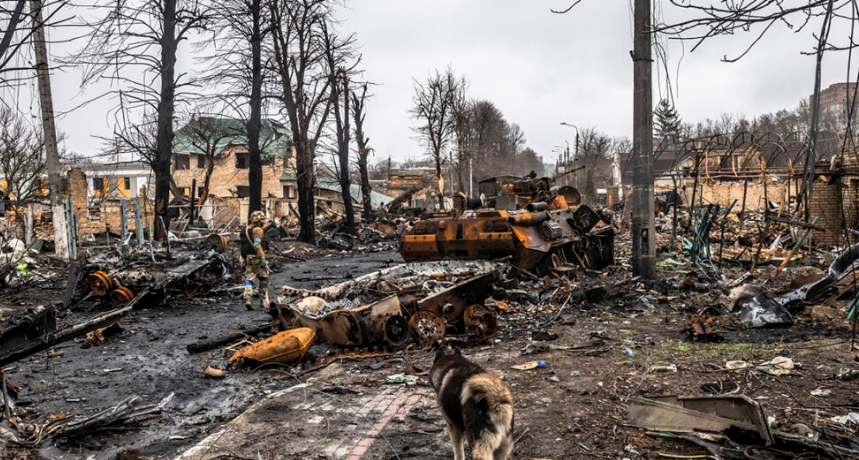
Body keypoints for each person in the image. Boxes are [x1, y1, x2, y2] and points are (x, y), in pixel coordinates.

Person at [240, 211, 271, 311]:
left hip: (248, 257)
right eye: (262, 219)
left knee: (249, 279)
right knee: (263, 278)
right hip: (257, 257)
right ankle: (263, 300)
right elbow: (257, 244)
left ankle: (248, 299)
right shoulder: (258, 230)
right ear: (257, 220)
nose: (263, 221)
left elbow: (246, 242)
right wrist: (262, 258)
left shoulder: (245, 229)